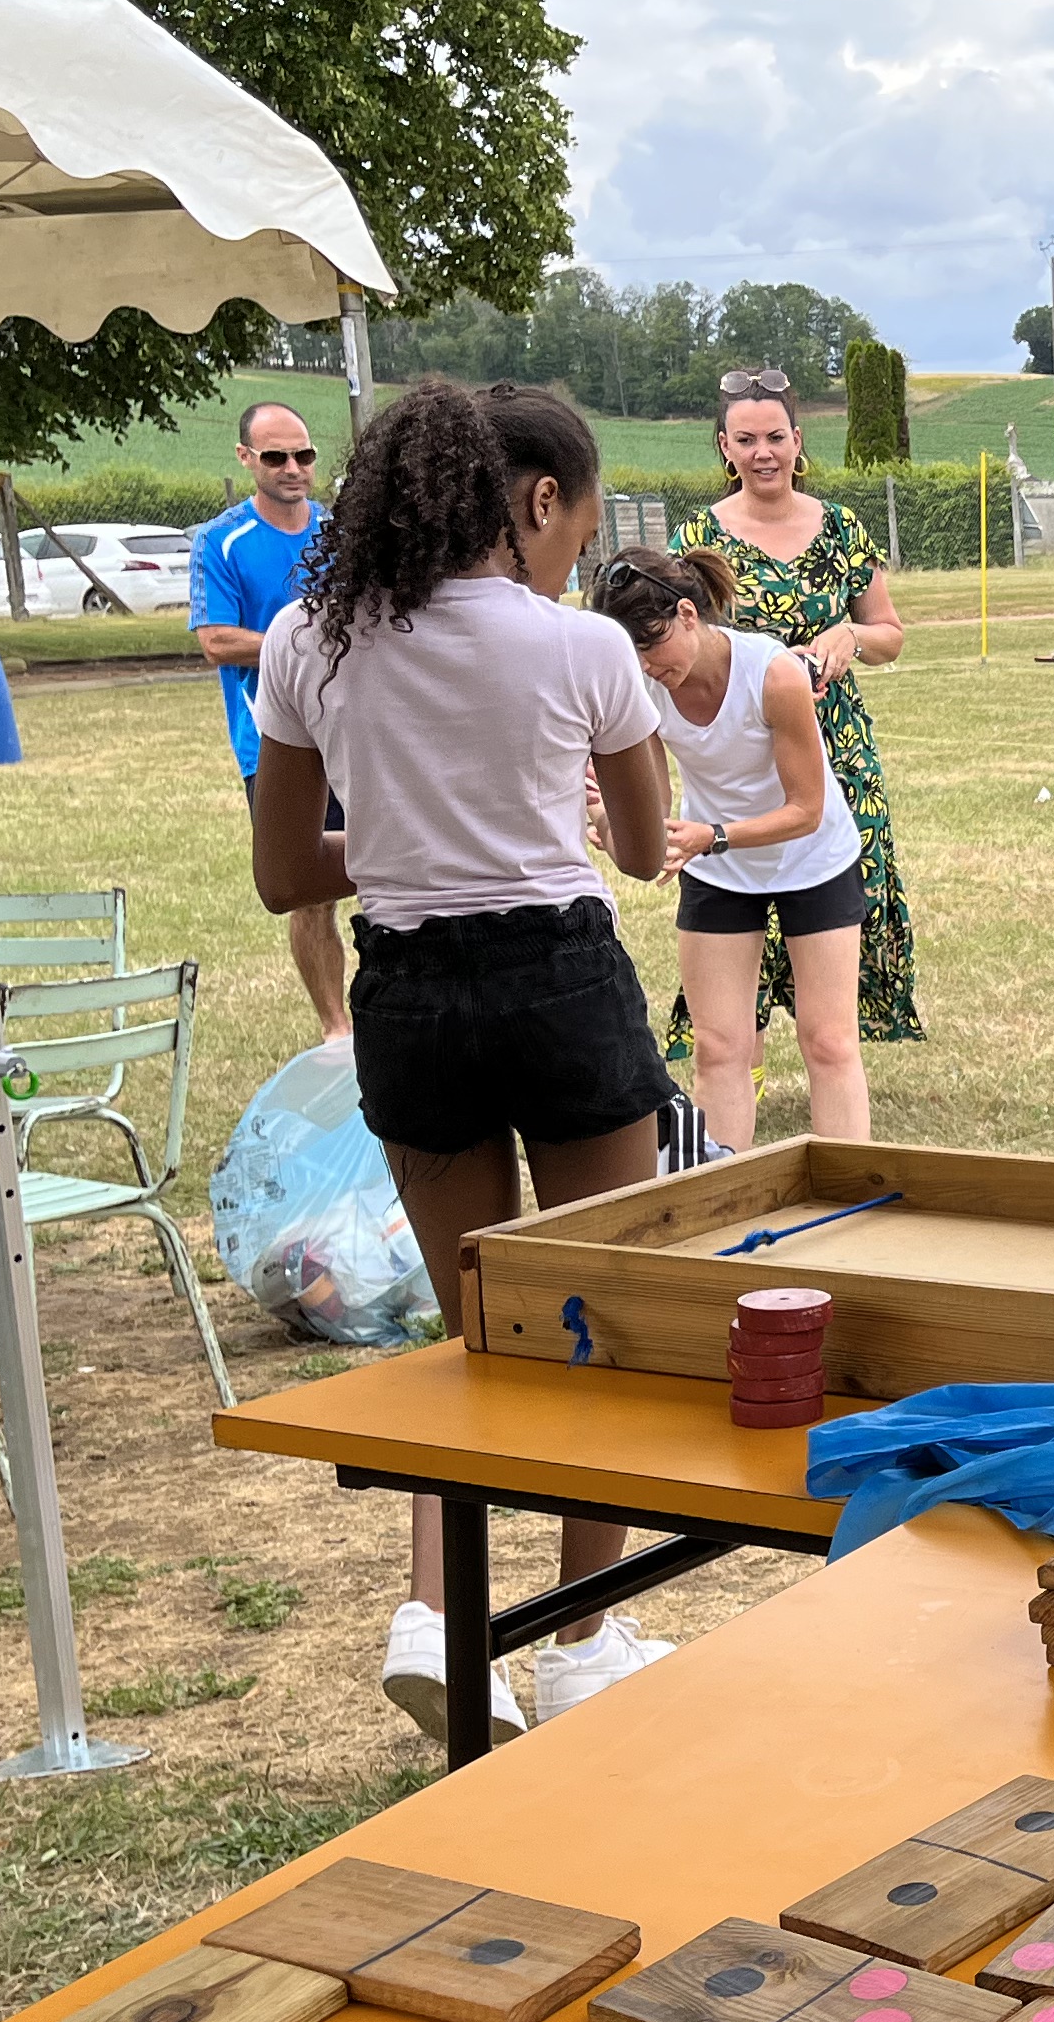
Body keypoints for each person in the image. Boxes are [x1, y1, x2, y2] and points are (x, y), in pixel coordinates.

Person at [245, 378, 682, 1740]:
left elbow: (280, 873)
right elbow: (642, 851)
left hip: (412, 990)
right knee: (594, 1322)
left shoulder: (308, 635)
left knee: (473, 1327)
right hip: (561, 975)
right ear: (532, 502)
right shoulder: (581, 649)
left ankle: (440, 1618)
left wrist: (393, 836)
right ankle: (579, 1641)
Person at [667, 370, 916, 1068]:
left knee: (833, 896)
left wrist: (852, 638)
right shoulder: (698, 537)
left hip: (836, 742)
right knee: (739, 893)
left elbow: (890, 634)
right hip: (742, 749)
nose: (762, 452)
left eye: (775, 437)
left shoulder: (840, 527)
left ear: (798, 441)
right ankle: (735, 1053)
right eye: (745, 440)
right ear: (725, 447)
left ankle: (831, 1050)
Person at [592, 545, 867, 1149]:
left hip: (812, 858)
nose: (646, 667)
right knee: (719, 1048)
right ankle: (725, 1206)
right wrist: (612, 828)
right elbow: (655, 811)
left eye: (653, 645)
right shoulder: (647, 688)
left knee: (828, 1040)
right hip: (716, 868)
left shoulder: (773, 674)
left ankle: (853, 1201)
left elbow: (806, 810)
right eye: (631, 655)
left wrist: (712, 837)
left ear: (689, 614)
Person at [193, 400, 348, 1037]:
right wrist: (295, 643)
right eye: (276, 457)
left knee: (394, 874)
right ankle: (336, 1029)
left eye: (304, 456)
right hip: (274, 744)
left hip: (354, 733)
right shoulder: (221, 540)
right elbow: (216, 642)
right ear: (246, 459)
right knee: (309, 892)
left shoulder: (342, 533)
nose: (293, 468)